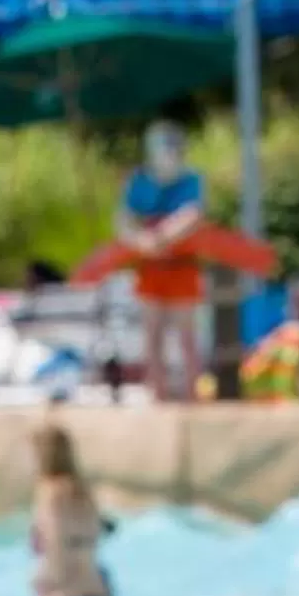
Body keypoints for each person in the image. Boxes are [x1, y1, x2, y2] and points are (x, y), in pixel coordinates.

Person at [115, 121, 206, 404]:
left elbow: (193, 214)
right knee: (152, 336)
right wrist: (143, 241)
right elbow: (124, 221)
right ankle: (158, 396)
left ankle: (193, 399)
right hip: (151, 268)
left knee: (186, 336)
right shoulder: (139, 181)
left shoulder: (191, 180)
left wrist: (162, 236)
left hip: (182, 267)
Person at [30, 425, 115, 596]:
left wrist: (41, 581)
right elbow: (102, 530)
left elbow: (55, 542)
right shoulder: (84, 492)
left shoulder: (49, 494)